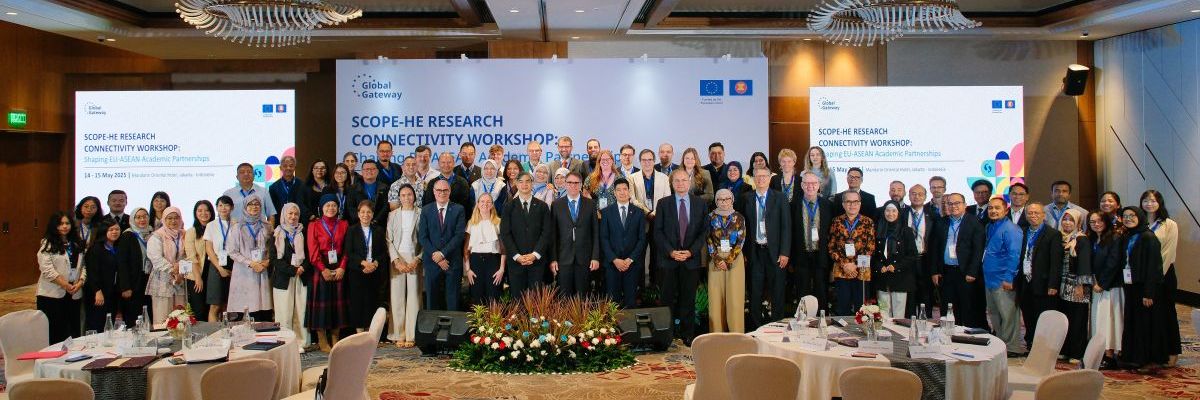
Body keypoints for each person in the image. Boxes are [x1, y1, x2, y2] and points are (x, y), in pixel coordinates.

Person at [654, 169, 708, 345]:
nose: (680, 184)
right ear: (672, 183)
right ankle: (666, 336)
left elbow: (703, 232)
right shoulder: (663, 203)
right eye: (676, 181)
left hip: (691, 260)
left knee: (688, 299)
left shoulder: (700, 204)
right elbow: (658, 232)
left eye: (684, 180)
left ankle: (688, 334)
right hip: (668, 260)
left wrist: (691, 251)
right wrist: (671, 251)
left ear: (689, 181)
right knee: (667, 299)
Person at [1117, 206, 1167, 372]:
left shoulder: (1148, 237)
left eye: (1132, 216)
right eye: (1125, 216)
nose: (1128, 219)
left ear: (1140, 217)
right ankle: (1132, 357)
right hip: (1131, 287)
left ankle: (1147, 360)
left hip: (1145, 288)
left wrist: (1149, 293)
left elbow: (1154, 267)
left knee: (1145, 324)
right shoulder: (1128, 236)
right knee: (1133, 322)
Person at [743, 168, 792, 328]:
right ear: (753, 179)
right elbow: (743, 228)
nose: (761, 179)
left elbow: (786, 227)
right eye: (758, 177)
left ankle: (777, 325)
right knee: (755, 291)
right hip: (755, 252)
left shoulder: (780, 198)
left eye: (764, 176)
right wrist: (743, 253)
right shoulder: (746, 198)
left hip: (776, 253)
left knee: (777, 290)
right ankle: (756, 327)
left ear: (770, 178)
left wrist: (785, 252)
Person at [931, 193, 987, 329]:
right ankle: (947, 336)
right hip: (946, 272)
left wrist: (972, 271)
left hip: (966, 273)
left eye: (957, 203)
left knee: (967, 308)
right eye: (950, 203)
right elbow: (934, 249)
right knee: (947, 308)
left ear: (965, 205)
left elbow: (978, 250)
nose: (953, 206)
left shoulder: (974, 222)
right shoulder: (941, 222)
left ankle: (968, 338)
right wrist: (935, 271)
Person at [1141, 189, 1180, 366]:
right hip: (1143, 278)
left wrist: (1155, 278)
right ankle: (1152, 353)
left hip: (1163, 276)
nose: (1149, 204)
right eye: (1146, 200)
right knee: (1149, 316)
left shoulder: (1169, 224)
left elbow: (1168, 254)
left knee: (1166, 313)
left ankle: (1172, 352)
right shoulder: (1139, 224)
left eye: (1153, 201)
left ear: (1160, 203)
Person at [1017, 202, 1064, 347]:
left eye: (1036, 213)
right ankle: (1030, 341)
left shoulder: (1053, 234)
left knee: (1043, 316)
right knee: (1028, 314)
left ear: (1043, 215)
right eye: (1030, 213)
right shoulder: (1021, 232)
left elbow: (1056, 262)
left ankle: (1043, 346)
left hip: (1043, 283)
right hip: (1025, 280)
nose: (1033, 216)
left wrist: (1053, 284)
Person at [500, 172, 554, 297]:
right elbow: (505, 234)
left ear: (532, 184)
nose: (524, 184)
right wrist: (517, 256)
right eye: (521, 181)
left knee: (536, 302)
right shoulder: (509, 207)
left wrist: (535, 255)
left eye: (527, 181)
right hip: (516, 263)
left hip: (537, 263)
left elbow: (546, 233)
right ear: (517, 184)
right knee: (517, 301)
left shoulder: (542, 206)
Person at [982, 197, 1024, 355]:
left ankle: (1012, 347)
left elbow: (1014, 255)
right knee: (994, 313)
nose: (993, 211)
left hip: (1003, 280)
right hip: (990, 279)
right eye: (990, 208)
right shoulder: (990, 226)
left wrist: (1009, 278)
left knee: (1008, 316)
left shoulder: (1011, 229)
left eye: (997, 208)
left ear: (1006, 210)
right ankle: (1001, 344)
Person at [307, 194, 348, 352]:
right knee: (322, 305)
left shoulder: (344, 224)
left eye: (333, 205)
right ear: (321, 208)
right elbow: (312, 249)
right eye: (327, 206)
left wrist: (342, 267)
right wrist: (322, 268)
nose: (331, 208)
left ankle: (335, 337)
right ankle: (322, 338)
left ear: (338, 208)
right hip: (320, 266)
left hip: (338, 266)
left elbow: (347, 248)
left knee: (337, 303)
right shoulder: (314, 225)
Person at [418, 180, 467, 310]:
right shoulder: (426, 210)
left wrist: (443, 254)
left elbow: (459, 235)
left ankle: (452, 330)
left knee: (453, 300)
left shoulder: (458, 209)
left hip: (452, 262)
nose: (442, 193)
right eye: (439, 190)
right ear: (434, 192)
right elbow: (422, 237)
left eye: (445, 190)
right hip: (432, 262)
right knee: (432, 300)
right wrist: (437, 256)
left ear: (449, 191)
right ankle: (432, 330)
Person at [37, 211, 85, 343]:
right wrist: (65, 284)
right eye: (61, 224)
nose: (64, 226)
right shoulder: (47, 244)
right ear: (54, 226)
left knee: (73, 330)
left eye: (67, 223)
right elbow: (47, 270)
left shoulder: (76, 243)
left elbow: (83, 266)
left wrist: (80, 282)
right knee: (56, 331)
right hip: (52, 294)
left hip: (74, 291)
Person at [551, 172, 601, 296]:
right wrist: (553, 259)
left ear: (581, 185)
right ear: (565, 184)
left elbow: (595, 232)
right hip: (563, 258)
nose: (573, 185)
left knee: (583, 296)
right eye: (570, 183)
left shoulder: (590, 204)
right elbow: (553, 235)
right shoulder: (556, 204)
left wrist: (595, 257)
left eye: (576, 183)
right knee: (564, 297)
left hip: (584, 258)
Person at [600, 178, 646, 309]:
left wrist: (630, 259)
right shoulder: (606, 212)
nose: (622, 192)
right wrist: (614, 259)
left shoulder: (638, 212)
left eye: (625, 189)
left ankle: (630, 330)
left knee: (630, 302)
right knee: (612, 304)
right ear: (614, 192)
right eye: (618, 190)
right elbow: (604, 238)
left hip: (631, 265)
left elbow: (642, 239)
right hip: (612, 265)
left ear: (629, 191)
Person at [828, 190, 875, 316]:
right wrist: (845, 265)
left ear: (860, 204)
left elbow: (870, 248)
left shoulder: (868, 222)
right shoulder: (836, 222)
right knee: (843, 308)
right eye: (848, 201)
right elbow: (831, 247)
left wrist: (855, 265)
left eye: (855, 202)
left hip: (861, 271)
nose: (852, 205)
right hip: (841, 271)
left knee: (862, 310)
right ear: (843, 204)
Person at [271, 202, 310, 350]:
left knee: (301, 311)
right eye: (290, 214)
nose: (293, 217)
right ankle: (285, 342)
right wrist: (292, 270)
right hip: (283, 279)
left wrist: (302, 268)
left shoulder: (302, 232)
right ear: (284, 215)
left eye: (296, 214)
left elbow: (310, 254)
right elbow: (275, 259)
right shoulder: (277, 233)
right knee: (284, 311)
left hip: (301, 277)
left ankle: (301, 341)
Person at [386, 184, 422, 347]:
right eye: (403, 195)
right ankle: (398, 333)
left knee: (414, 296)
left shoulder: (421, 213)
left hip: (415, 259)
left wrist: (418, 259)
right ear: (399, 197)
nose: (406, 197)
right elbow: (389, 239)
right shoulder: (392, 215)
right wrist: (396, 260)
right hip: (397, 259)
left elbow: (426, 239)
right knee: (397, 296)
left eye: (409, 194)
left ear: (414, 196)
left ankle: (412, 334)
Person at [793, 171, 834, 311]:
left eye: (813, 183)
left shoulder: (827, 205)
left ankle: (822, 322)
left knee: (821, 291)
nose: (810, 186)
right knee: (802, 292)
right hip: (801, 254)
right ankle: (802, 323)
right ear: (802, 185)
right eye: (807, 183)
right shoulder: (793, 205)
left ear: (819, 185)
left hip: (821, 254)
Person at [1087, 210, 1123, 367]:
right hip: (1096, 285)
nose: (1096, 224)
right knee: (1099, 319)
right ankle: (1101, 352)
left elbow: (1113, 263)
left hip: (1110, 287)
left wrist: (1102, 284)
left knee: (1109, 320)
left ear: (1106, 221)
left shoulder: (1114, 238)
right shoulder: (1093, 239)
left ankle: (1110, 355)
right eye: (1092, 222)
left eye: (1099, 221)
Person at [345, 200, 388, 333]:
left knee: (372, 301)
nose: (365, 215)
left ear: (373, 214)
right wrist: (363, 263)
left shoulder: (379, 230)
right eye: (362, 212)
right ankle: (359, 332)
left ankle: (371, 332)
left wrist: (374, 263)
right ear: (358, 214)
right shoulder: (352, 230)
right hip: (357, 271)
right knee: (358, 302)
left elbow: (383, 252)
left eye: (368, 212)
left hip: (374, 271)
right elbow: (349, 252)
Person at [706, 189, 746, 332]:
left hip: (734, 259)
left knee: (735, 299)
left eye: (727, 199)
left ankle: (736, 334)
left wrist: (728, 260)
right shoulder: (710, 217)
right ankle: (716, 335)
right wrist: (717, 258)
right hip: (715, 259)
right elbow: (708, 239)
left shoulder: (739, 217)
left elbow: (741, 241)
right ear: (716, 201)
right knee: (716, 299)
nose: (724, 202)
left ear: (732, 199)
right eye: (720, 199)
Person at [227, 196, 272, 321]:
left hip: (262, 270)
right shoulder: (238, 227)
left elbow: (271, 248)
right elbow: (232, 252)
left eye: (257, 204)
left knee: (262, 310)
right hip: (244, 272)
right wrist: (250, 263)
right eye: (250, 204)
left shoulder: (266, 226)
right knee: (246, 308)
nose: (254, 207)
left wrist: (267, 261)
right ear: (245, 207)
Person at [1057, 209, 1093, 361]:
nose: (1067, 222)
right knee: (1066, 319)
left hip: (1077, 285)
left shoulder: (1081, 240)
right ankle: (1066, 349)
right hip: (1064, 284)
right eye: (1064, 219)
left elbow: (1085, 263)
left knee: (1078, 319)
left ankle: (1077, 353)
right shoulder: (1061, 238)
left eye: (1071, 220)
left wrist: (1080, 285)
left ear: (1078, 223)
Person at [871, 201, 916, 319]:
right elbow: (872, 254)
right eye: (887, 210)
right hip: (882, 278)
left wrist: (896, 267)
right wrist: (879, 266)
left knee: (898, 315)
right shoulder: (877, 230)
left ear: (899, 213)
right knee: (883, 312)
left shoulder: (906, 231)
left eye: (893, 211)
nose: (890, 214)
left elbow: (912, 255)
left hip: (901, 279)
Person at [146, 206, 187, 324]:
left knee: (180, 315)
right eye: (169, 218)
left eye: (176, 218)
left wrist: (181, 272)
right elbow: (156, 258)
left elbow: (189, 255)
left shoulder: (185, 234)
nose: (173, 221)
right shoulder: (157, 236)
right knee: (162, 317)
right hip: (162, 279)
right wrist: (173, 270)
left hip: (181, 279)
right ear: (164, 219)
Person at [903, 184, 938, 318]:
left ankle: (926, 321)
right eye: (913, 194)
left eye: (920, 194)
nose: (916, 197)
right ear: (909, 195)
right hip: (908, 260)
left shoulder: (933, 215)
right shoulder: (902, 214)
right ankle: (908, 323)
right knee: (910, 295)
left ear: (925, 196)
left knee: (926, 294)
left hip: (925, 259)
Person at [465, 193, 505, 305]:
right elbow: (466, 249)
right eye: (482, 201)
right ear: (477, 204)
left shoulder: (498, 222)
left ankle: (493, 323)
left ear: (492, 205)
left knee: (493, 297)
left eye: (488, 202)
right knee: (477, 297)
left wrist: (501, 269)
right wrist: (468, 269)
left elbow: (503, 248)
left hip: (493, 262)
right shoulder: (471, 223)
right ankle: (478, 323)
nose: (485, 204)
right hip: (475, 262)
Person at [84, 218, 121, 332]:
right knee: (97, 323)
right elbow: (92, 271)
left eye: (117, 229)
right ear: (104, 231)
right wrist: (97, 291)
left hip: (112, 291)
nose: (115, 232)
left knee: (109, 323)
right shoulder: (96, 248)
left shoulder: (116, 247)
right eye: (111, 229)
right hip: (98, 293)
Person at [117, 208, 152, 323]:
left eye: (145, 216)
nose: (142, 219)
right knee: (134, 317)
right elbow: (122, 263)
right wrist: (125, 287)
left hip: (149, 279)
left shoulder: (152, 233)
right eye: (138, 217)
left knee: (149, 315)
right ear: (132, 219)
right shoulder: (128, 235)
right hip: (134, 282)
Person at [202, 196, 235, 322]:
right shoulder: (211, 225)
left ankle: (228, 335)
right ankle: (214, 335)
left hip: (233, 263)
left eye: (226, 205)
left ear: (232, 207)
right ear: (216, 208)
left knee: (229, 304)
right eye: (220, 205)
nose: (223, 208)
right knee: (215, 305)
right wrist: (220, 268)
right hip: (216, 265)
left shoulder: (236, 224)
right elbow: (209, 249)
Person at [184, 201, 214, 321]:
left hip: (212, 274)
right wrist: (198, 278)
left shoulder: (216, 229)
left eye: (207, 210)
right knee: (199, 311)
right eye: (200, 210)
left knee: (211, 309)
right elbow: (191, 257)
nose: (203, 213)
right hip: (197, 276)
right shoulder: (192, 231)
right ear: (195, 213)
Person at [422, 152, 475, 217]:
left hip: (458, 220)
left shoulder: (463, 182)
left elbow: (466, 207)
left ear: (454, 163)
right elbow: (429, 205)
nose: (446, 165)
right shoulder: (432, 183)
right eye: (443, 162)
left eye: (449, 162)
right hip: (436, 221)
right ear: (439, 164)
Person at [358, 160, 391, 226]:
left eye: (372, 169)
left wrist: (375, 221)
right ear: (362, 172)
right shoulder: (353, 189)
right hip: (359, 225)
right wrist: (363, 220)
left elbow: (386, 207)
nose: (369, 171)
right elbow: (351, 208)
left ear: (377, 171)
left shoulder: (385, 188)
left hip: (379, 226)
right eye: (367, 169)